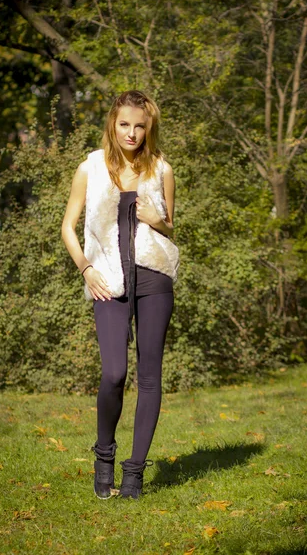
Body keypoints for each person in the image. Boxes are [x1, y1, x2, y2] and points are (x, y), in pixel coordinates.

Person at [61, 90, 179, 500]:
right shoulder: (90, 167)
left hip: (154, 277)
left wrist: (155, 218)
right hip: (107, 279)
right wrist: (86, 269)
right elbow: (67, 227)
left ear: (150, 128)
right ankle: (104, 456)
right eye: (125, 124)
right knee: (114, 373)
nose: (132, 133)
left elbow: (169, 227)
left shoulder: (161, 168)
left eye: (140, 126)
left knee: (150, 377)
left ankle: (134, 473)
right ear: (113, 123)